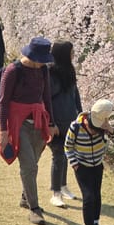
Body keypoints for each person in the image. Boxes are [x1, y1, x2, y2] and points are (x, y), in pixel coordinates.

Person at [0, 37, 59, 225]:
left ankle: (26, 197)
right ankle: (34, 209)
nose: (44, 62)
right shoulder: (13, 71)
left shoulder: (43, 70)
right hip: (19, 123)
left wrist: (52, 123)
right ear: (32, 56)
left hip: (39, 121)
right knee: (29, 167)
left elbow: (46, 96)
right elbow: (3, 102)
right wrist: (4, 131)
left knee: (33, 163)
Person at [65, 99, 114, 225]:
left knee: (96, 195)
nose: (93, 131)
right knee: (88, 197)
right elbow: (68, 147)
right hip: (82, 166)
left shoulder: (104, 127)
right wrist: (75, 164)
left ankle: (96, 223)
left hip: (97, 166)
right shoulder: (75, 126)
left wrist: (109, 129)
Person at [47, 41, 82, 208]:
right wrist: (50, 122)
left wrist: (80, 114)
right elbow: (46, 100)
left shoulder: (70, 71)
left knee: (67, 153)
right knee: (58, 155)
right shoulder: (51, 73)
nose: (73, 54)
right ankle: (56, 193)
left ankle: (63, 186)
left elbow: (75, 93)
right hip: (56, 122)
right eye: (71, 52)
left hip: (70, 119)